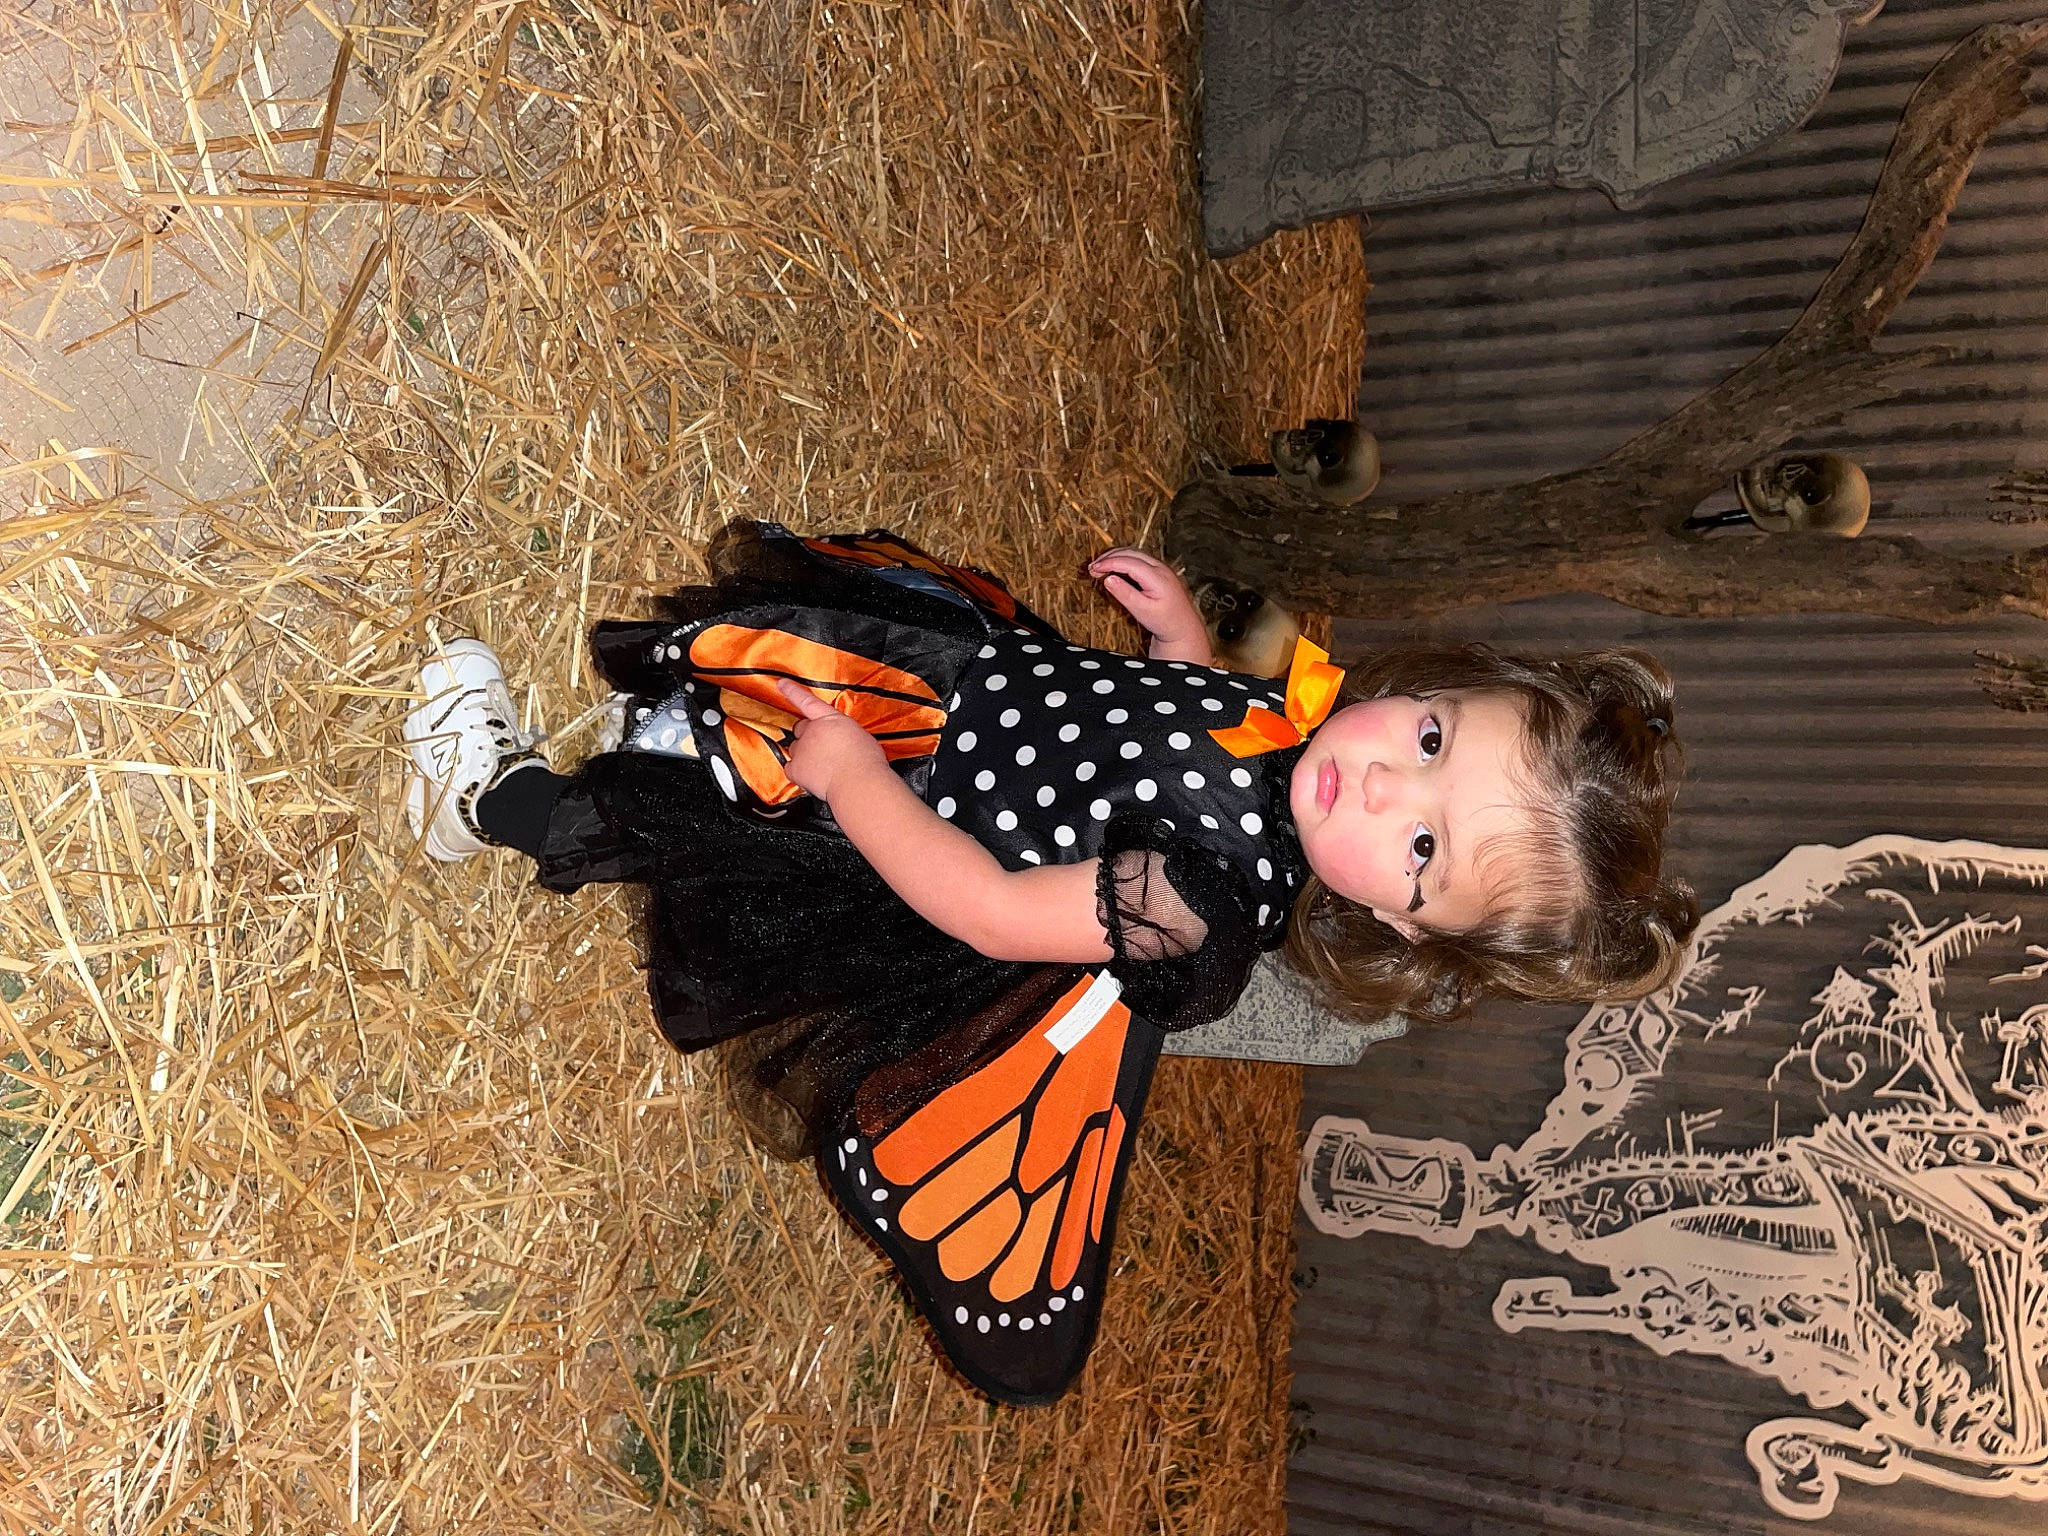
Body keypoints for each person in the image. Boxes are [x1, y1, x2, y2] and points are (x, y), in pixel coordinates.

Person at [400, 519, 1697, 1401]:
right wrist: (1181, 645)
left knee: (714, 815)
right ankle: (678, 715)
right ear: (1439, 686)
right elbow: (1180, 731)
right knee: (786, 676)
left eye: (1421, 847)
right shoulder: (1299, 726)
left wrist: (854, 783)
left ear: (1406, 926)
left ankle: (491, 802)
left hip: (911, 820)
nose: (1377, 785)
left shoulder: (1201, 909)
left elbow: (988, 912)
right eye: (1430, 739)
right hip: (956, 692)